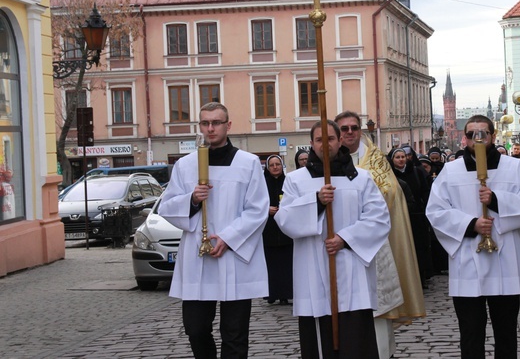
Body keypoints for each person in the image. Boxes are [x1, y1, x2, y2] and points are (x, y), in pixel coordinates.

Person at [159, 102, 269, 359]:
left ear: (228, 125)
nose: (211, 128)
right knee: (196, 329)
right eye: (205, 123)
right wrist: (192, 200)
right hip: (198, 260)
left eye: (216, 122)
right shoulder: (185, 165)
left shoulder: (248, 163)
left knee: (235, 333)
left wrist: (229, 239)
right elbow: (167, 206)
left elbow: (258, 209)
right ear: (200, 126)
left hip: (234, 256)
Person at [426, 115, 520, 358]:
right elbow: (436, 211)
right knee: (470, 333)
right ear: (463, 138)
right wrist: (471, 225)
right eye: (471, 134)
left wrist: (497, 201)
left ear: (493, 135)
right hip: (468, 260)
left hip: (506, 258)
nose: (477, 138)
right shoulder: (450, 171)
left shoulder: (514, 167)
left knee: (507, 331)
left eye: (483, 133)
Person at [275, 120, 390, 358]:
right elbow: (284, 220)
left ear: (339, 141)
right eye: (319, 140)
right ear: (311, 144)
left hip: (352, 270)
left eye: (329, 139)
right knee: (320, 341)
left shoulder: (361, 178)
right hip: (313, 271)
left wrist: (345, 239)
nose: (324, 145)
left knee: (355, 341)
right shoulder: (296, 180)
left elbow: (379, 219)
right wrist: (316, 202)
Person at [335, 111, 425, 359]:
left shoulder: (376, 160)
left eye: (354, 127)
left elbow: (392, 194)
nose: (350, 132)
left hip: (373, 244)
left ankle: (380, 353)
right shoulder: (327, 162)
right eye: (344, 129)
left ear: (361, 131)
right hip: (337, 245)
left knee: (376, 305)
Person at [389, 147, 433, 289]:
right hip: (398, 217)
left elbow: (425, 192)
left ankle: (420, 278)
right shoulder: (389, 175)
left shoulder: (417, 172)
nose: (401, 160)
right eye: (398, 157)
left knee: (419, 248)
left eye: (403, 157)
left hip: (416, 216)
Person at [262, 155, 293, 305]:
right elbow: (255, 203)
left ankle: (286, 294)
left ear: (282, 166)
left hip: (285, 229)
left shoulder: (288, 182)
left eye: (278, 164)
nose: (275, 167)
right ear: (268, 168)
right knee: (271, 265)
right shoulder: (262, 184)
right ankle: (271, 294)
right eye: (272, 165)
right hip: (268, 229)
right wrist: (266, 210)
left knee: (286, 264)